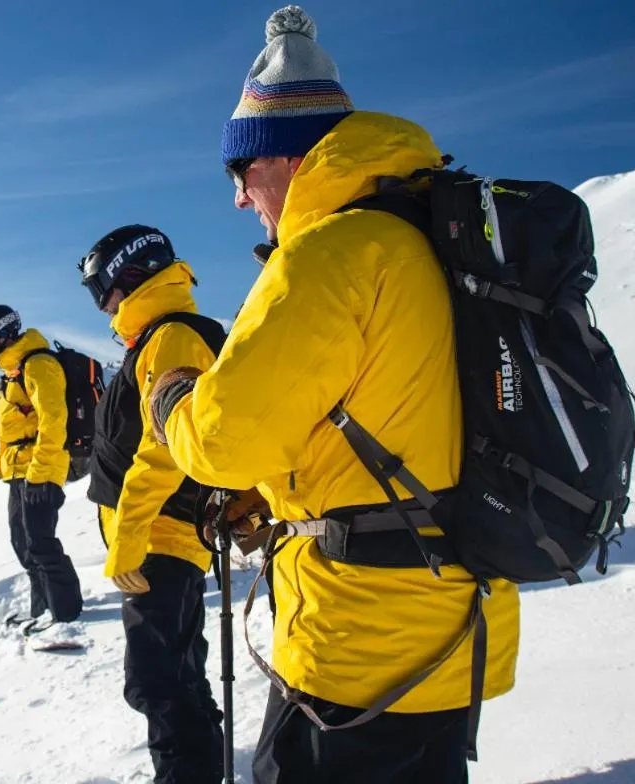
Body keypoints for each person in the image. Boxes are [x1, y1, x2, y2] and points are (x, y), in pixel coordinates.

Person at [147, 5, 520, 783]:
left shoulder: (329, 254)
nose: (242, 200)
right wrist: (284, 497)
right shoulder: (422, 236)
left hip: (357, 648)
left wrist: (172, 399)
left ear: (285, 158)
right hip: (453, 621)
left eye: (243, 174)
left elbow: (222, 443)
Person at [79, 225, 227, 783]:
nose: (102, 306)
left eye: (102, 291)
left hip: (161, 538)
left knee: (156, 680)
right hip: (158, 537)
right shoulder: (156, 338)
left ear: (129, 275)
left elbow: (162, 452)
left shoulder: (173, 338)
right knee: (177, 674)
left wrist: (131, 536)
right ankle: (198, 769)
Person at [0, 305, 83, 624]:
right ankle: (42, 609)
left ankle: (65, 613)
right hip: (20, 472)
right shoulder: (12, 375)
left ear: (3, 336)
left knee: (40, 542)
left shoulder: (39, 365)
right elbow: (11, 438)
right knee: (24, 545)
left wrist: (41, 475)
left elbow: (53, 421)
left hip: (41, 470)